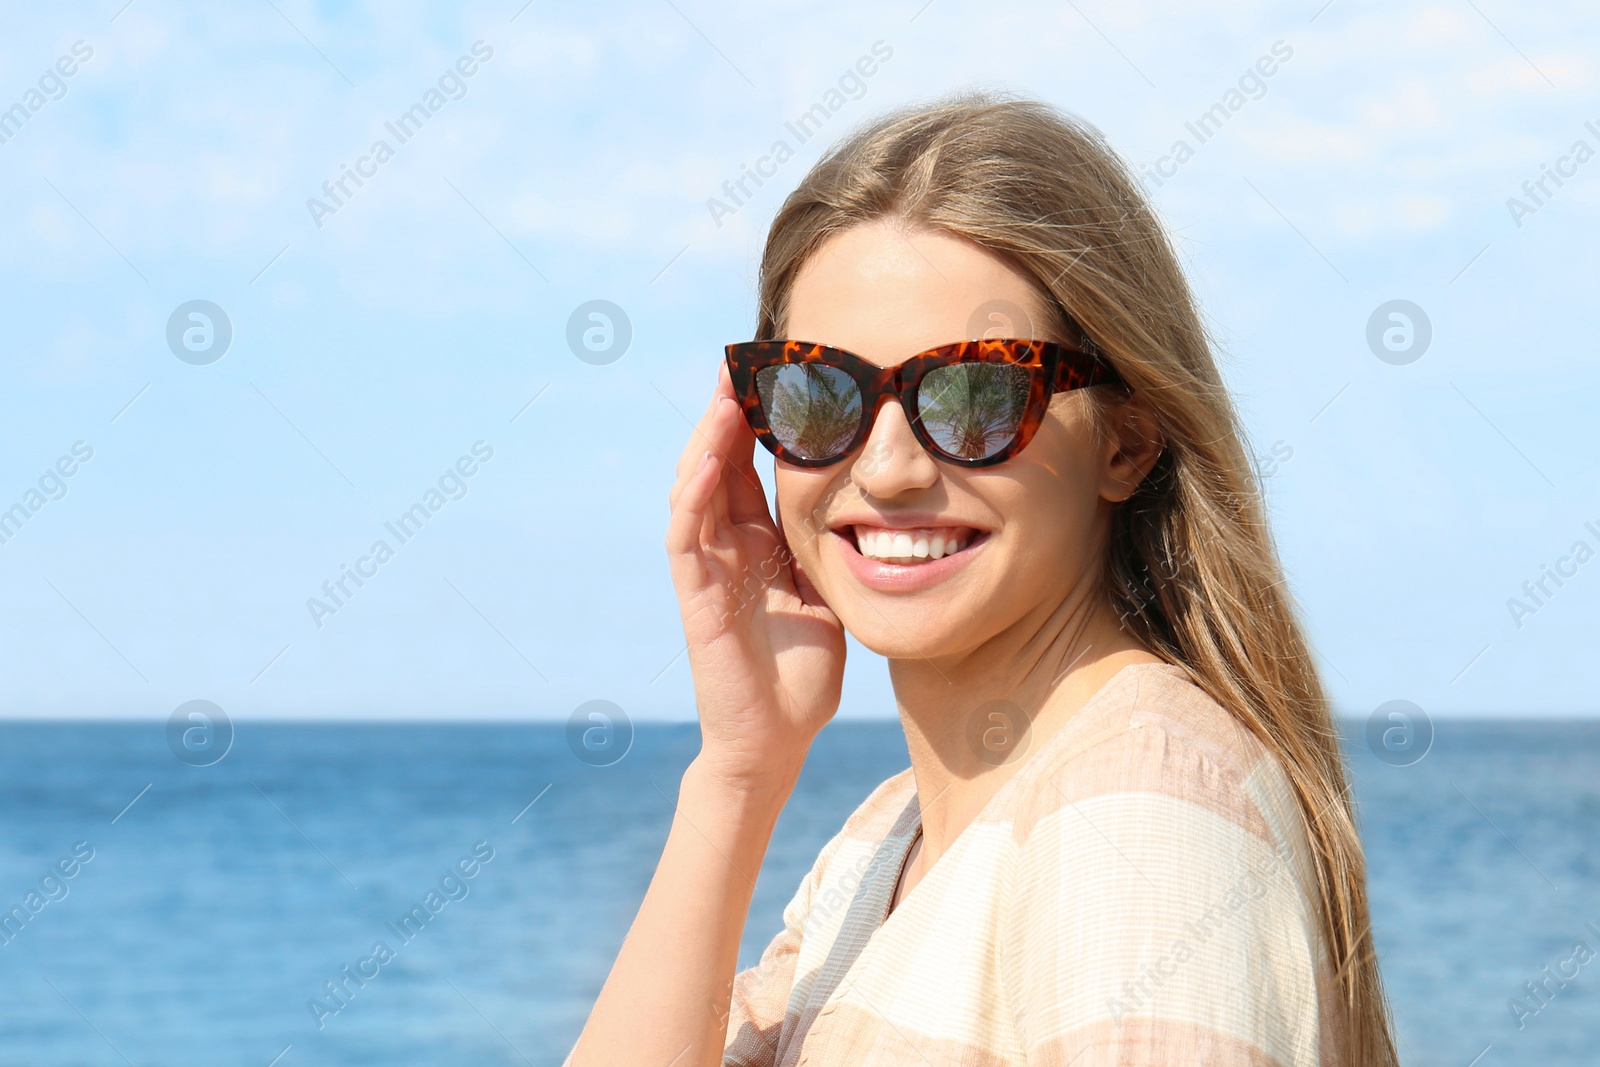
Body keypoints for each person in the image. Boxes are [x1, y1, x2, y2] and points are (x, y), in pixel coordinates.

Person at [562, 90, 1399, 1066]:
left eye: (975, 395)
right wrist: (737, 771)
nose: (886, 468)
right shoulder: (888, 837)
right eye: (819, 394)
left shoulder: (1132, 823)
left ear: (1126, 440)